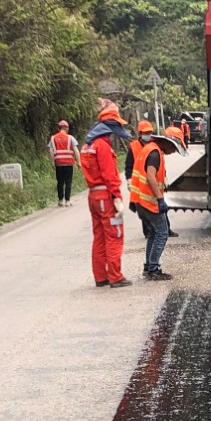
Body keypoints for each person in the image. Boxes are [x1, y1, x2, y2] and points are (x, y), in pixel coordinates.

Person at [82, 101, 131, 288]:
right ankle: (115, 276)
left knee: (100, 236)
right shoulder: (102, 146)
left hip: (93, 197)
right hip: (106, 197)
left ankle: (100, 276)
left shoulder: (88, 145)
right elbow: (110, 175)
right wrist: (117, 197)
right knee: (114, 235)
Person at [127, 120, 173, 281]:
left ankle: (149, 267)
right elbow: (150, 176)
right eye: (174, 148)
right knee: (162, 233)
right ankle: (153, 269)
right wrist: (160, 199)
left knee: (153, 233)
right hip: (148, 201)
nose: (173, 152)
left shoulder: (149, 149)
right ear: (167, 143)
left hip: (140, 200)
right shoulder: (154, 153)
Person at [49, 120, 78, 206]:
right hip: (69, 163)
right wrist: (78, 162)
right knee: (68, 182)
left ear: (59, 128)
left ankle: (61, 200)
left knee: (60, 182)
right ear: (66, 128)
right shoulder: (70, 138)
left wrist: (53, 163)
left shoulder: (53, 138)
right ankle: (68, 201)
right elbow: (76, 150)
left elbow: (51, 151)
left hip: (58, 164)